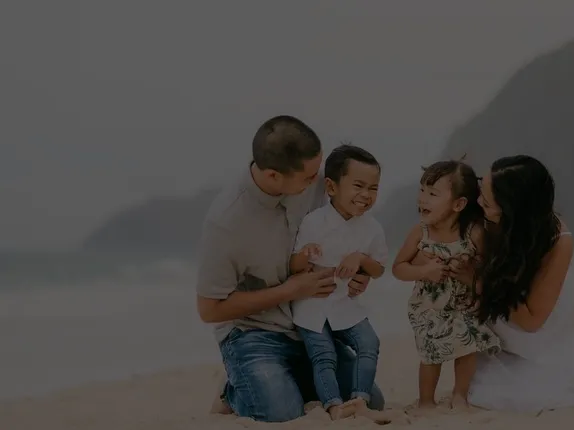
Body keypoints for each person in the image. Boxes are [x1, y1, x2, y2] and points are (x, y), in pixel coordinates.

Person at [194, 115, 385, 423]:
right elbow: (209, 310)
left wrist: (360, 273)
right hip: (254, 332)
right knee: (280, 412)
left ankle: (286, 380)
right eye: (310, 177)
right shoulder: (226, 223)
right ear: (273, 176)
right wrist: (290, 290)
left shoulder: (315, 182)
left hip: (310, 325)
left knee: (372, 400)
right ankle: (232, 389)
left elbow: (349, 230)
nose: (319, 181)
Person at [433, 154, 574, 412]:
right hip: (493, 313)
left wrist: (477, 281)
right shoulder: (482, 214)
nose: (478, 202)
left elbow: (531, 321)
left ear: (512, 212)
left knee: (517, 392)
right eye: (482, 188)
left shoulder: (557, 240)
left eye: (487, 202)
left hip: (529, 328)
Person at [289, 144, 390, 423]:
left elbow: (379, 269)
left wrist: (361, 259)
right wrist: (305, 254)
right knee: (324, 355)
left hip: (345, 303)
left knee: (369, 342)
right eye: (358, 186)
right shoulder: (313, 222)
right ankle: (333, 406)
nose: (366, 195)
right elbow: (293, 265)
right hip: (312, 306)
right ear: (332, 187)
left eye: (373, 188)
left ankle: (360, 399)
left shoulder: (372, 228)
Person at [392, 160, 501, 411]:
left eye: (433, 194)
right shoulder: (420, 233)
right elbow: (398, 268)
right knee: (430, 353)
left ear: (458, 204)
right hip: (429, 307)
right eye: (422, 190)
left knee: (467, 347)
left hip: (463, 303)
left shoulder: (473, 233)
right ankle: (426, 400)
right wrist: (423, 271)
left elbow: (487, 268)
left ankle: (460, 395)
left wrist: (472, 273)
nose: (423, 199)